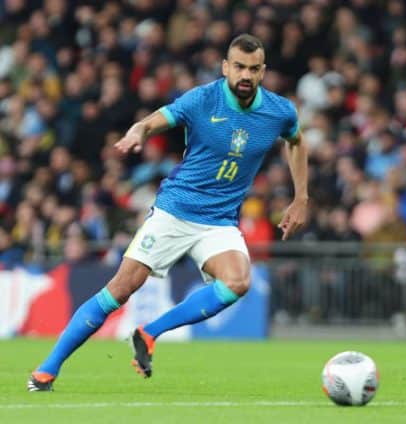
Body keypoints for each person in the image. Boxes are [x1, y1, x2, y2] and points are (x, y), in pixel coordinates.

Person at [27, 34, 309, 392]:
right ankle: (46, 370)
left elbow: (297, 142)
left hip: (219, 221)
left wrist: (301, 197)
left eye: (253, 69)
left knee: (238, 281)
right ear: (225, 67)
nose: (245, 75)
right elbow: (154, 120)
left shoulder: (279, 111)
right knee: (121, 288)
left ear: (263, 72)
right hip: (175, 211)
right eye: (238, 66)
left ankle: (149, 332)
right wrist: (138, 130)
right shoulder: (202, 99)